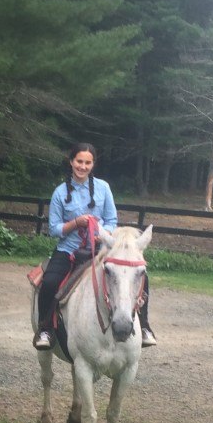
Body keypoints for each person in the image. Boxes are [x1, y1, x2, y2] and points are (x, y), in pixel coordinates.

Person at [33, 142, 156, 350]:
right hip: (68, 250)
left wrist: (103, 235)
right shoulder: (60, 193)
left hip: (100, 250)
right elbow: (54, 228)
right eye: (79, 161)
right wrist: (75, 223)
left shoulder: (103, 188)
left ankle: (143, 326)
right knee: (50, 282)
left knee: (141, 278)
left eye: (87, 162)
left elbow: (111, 218)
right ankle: (45, 328)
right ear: (71, 162)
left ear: (93, 164)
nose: (83, 166)